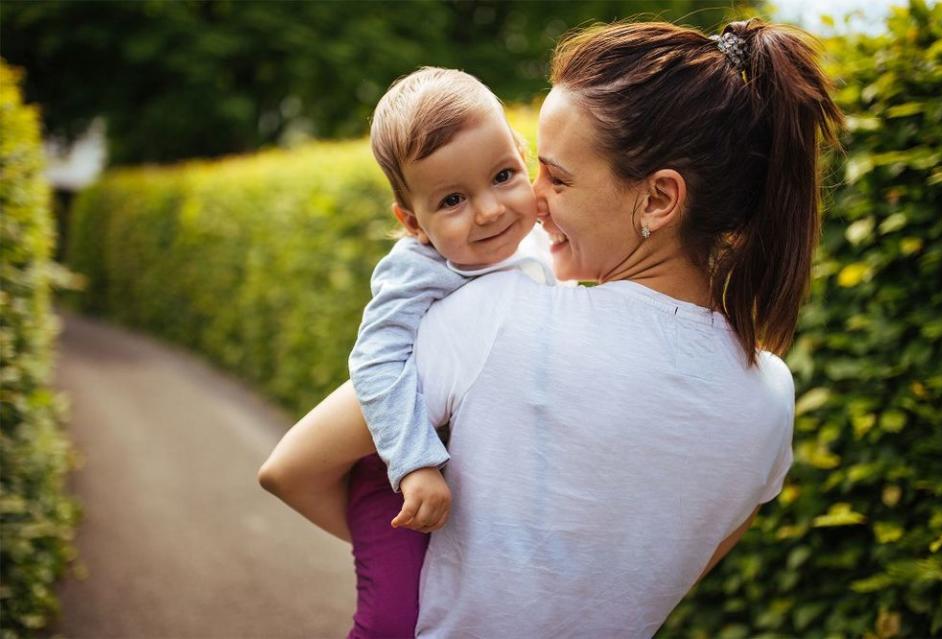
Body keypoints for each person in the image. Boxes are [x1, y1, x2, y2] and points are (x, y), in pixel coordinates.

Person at [259, 17, 842, 638]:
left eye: (557, 177)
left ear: (659, 200)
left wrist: (430, 561)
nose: (532, 201)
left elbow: (291, 467)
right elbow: (666, 569)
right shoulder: (773, 401)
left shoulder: (495, 316)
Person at [261, 66, 550, 638]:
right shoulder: (416, 269)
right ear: (412, 221)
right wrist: (414, 461)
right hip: (397, 466)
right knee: (394, 620)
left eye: (502, 175)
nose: (490, 210)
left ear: (525, 159)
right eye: (452, 200)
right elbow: (376, 360)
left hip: (480, 466)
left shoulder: (545, 236)